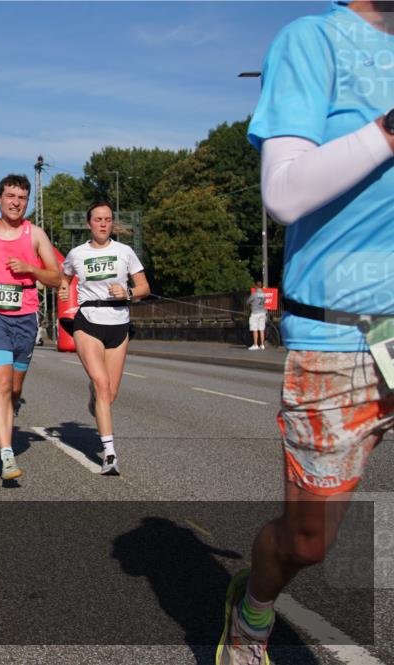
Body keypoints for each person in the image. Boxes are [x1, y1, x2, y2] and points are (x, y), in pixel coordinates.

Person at [217, 3, 394, 663]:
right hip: (343, 337)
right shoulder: (312, 41)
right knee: (308, 542)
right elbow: (286, 194)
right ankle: (253, 611)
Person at [0, 174, 62, 481]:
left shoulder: (36, 235)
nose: (15, 202)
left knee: (15, 389)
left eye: (21, 198)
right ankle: (6, 455)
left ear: (27, 202)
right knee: (1, 384)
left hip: (26, 316)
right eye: (10, 196)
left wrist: (31, 268)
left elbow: (57, 278)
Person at [59, 202, 149, 477]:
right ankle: (110, 454)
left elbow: (144, 287)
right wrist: (63, 290)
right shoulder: (77, 253)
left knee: (109, 394)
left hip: (119, 323)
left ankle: (95, 398)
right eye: (98, 219)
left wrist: (128, 293)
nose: (103, 224)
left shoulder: (125, 252)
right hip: (88, 321)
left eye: (108, 219)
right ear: (89, 223)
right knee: (102, 382)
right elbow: (64, 276)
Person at [247, 280, 268, 350]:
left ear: (256, 286)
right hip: (263, 312)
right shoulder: (264, 294)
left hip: (255, 313)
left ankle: (255, 345)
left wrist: (251, 304)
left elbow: (248, 301)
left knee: (255, 329)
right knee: (262, 329)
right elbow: (264, 302)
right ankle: (262, 345)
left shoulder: (254, 294)